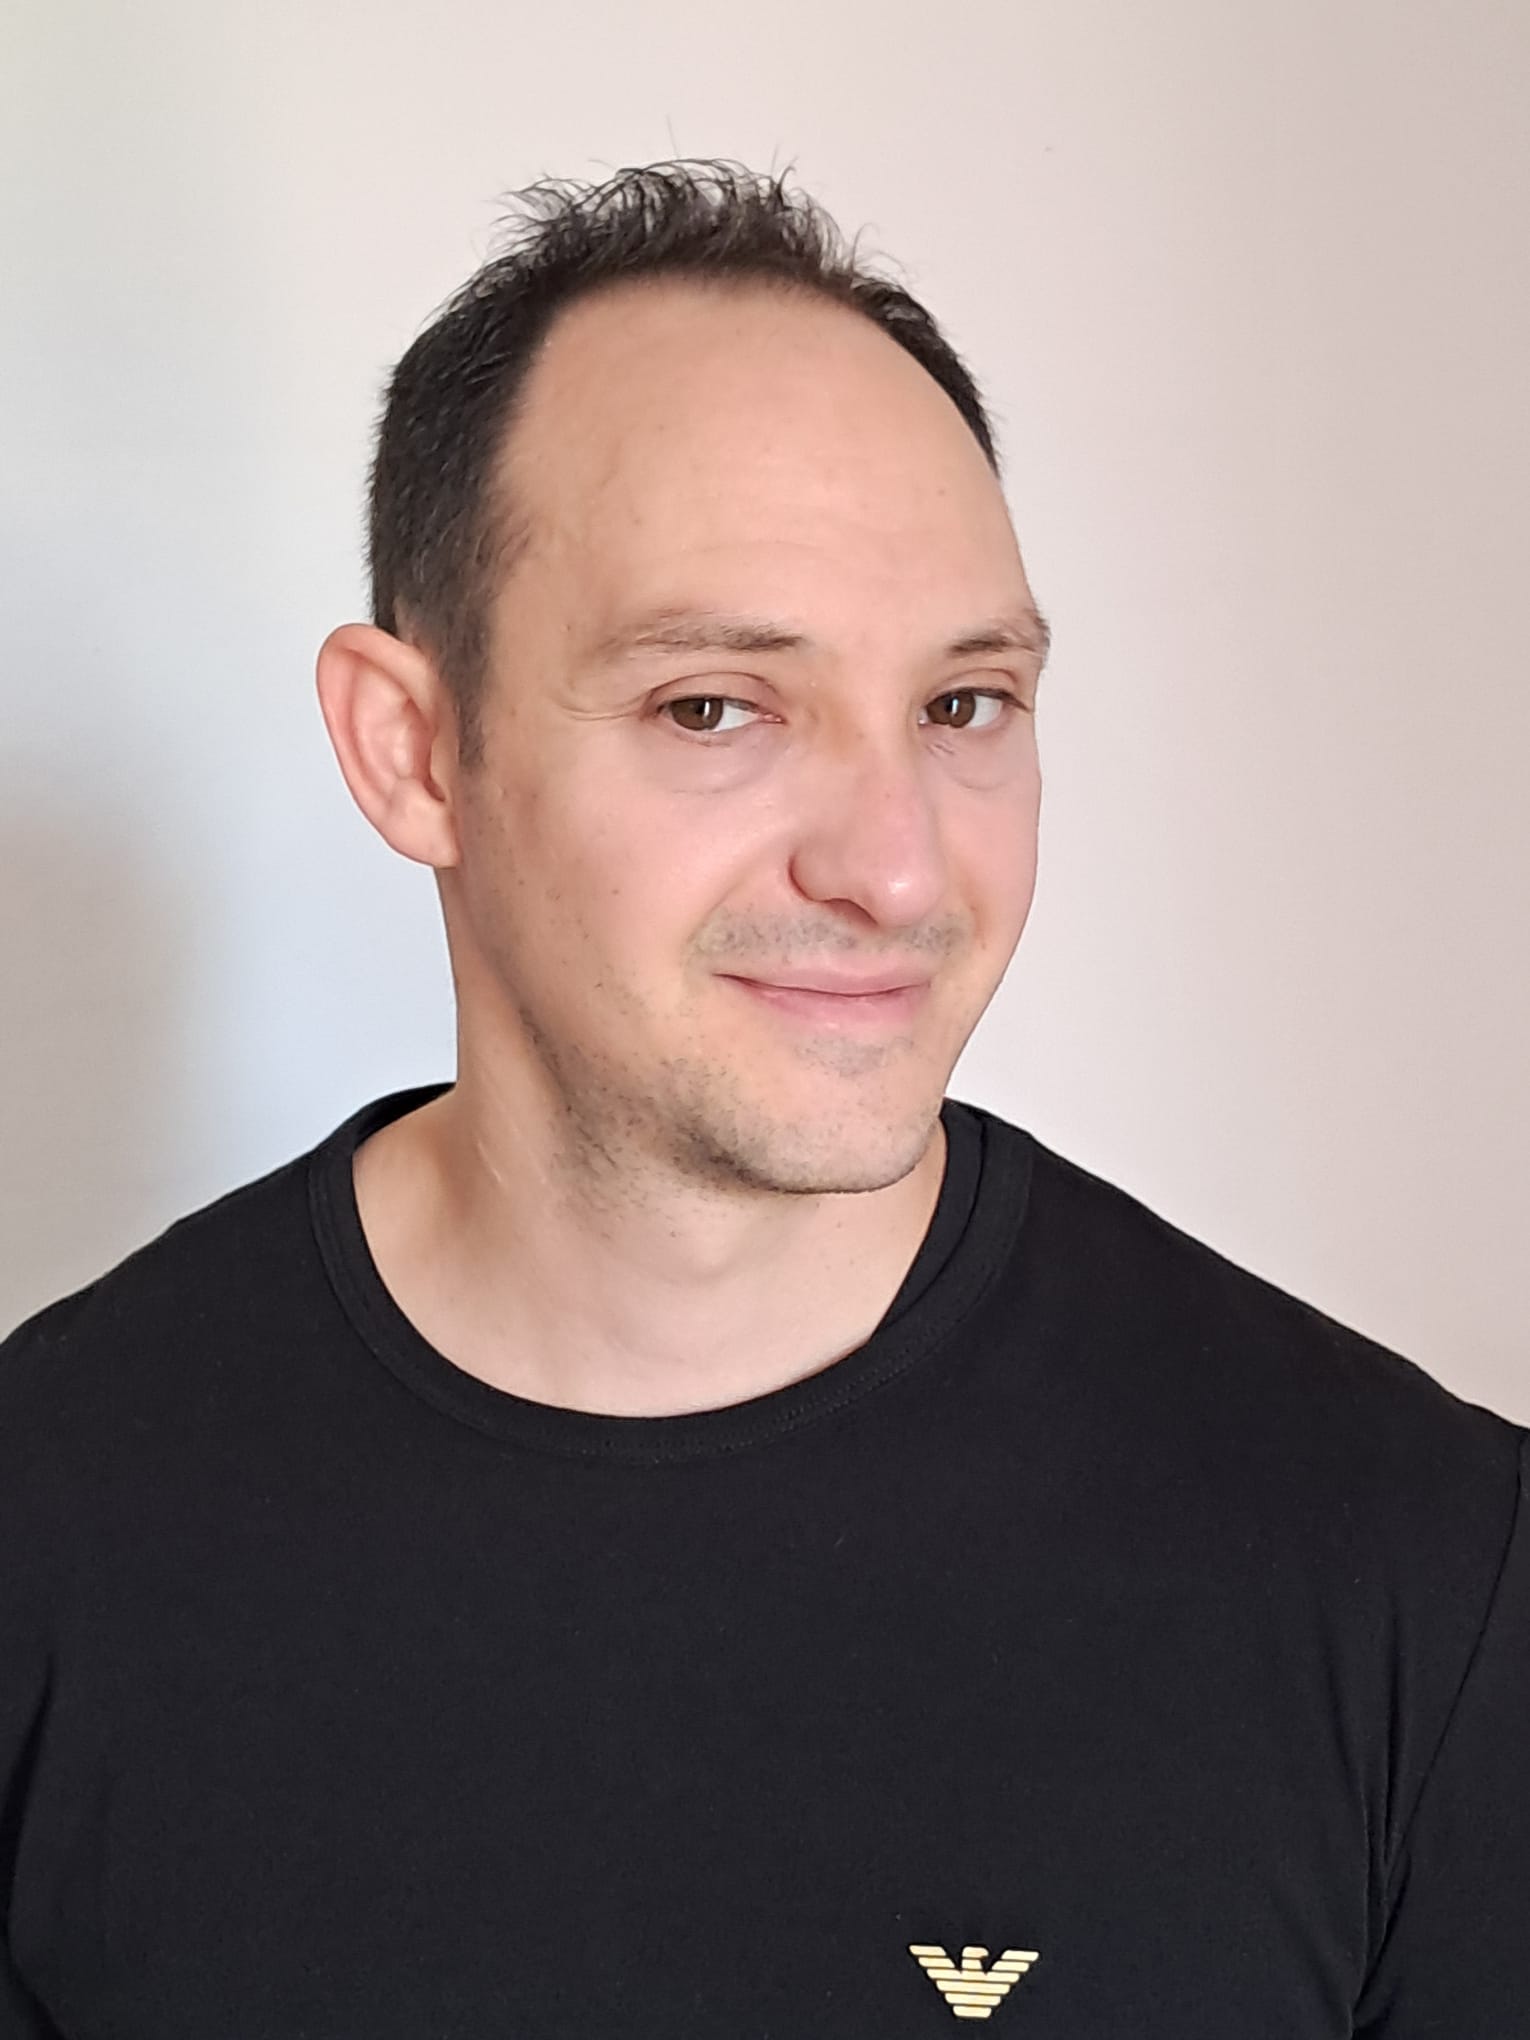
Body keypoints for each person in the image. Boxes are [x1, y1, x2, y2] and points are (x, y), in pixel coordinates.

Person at [1, 160, 1524, 2039]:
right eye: (715, 706)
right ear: (414, 749)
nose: (895, 868)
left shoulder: (1417, 1562)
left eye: (963, 706)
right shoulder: (48, 1536)